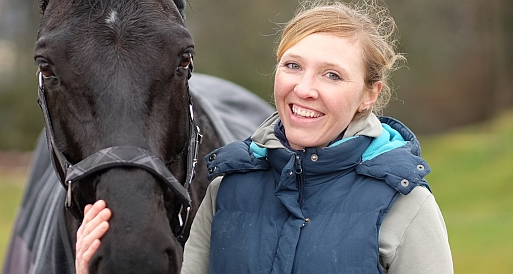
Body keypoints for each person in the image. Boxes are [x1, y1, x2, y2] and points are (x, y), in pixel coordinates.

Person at [75, 1, 454, 273]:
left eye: (332, 75)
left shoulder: (406, 206)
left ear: (369, 95)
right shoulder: (225, 188)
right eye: (293, 66)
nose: (304, 89)